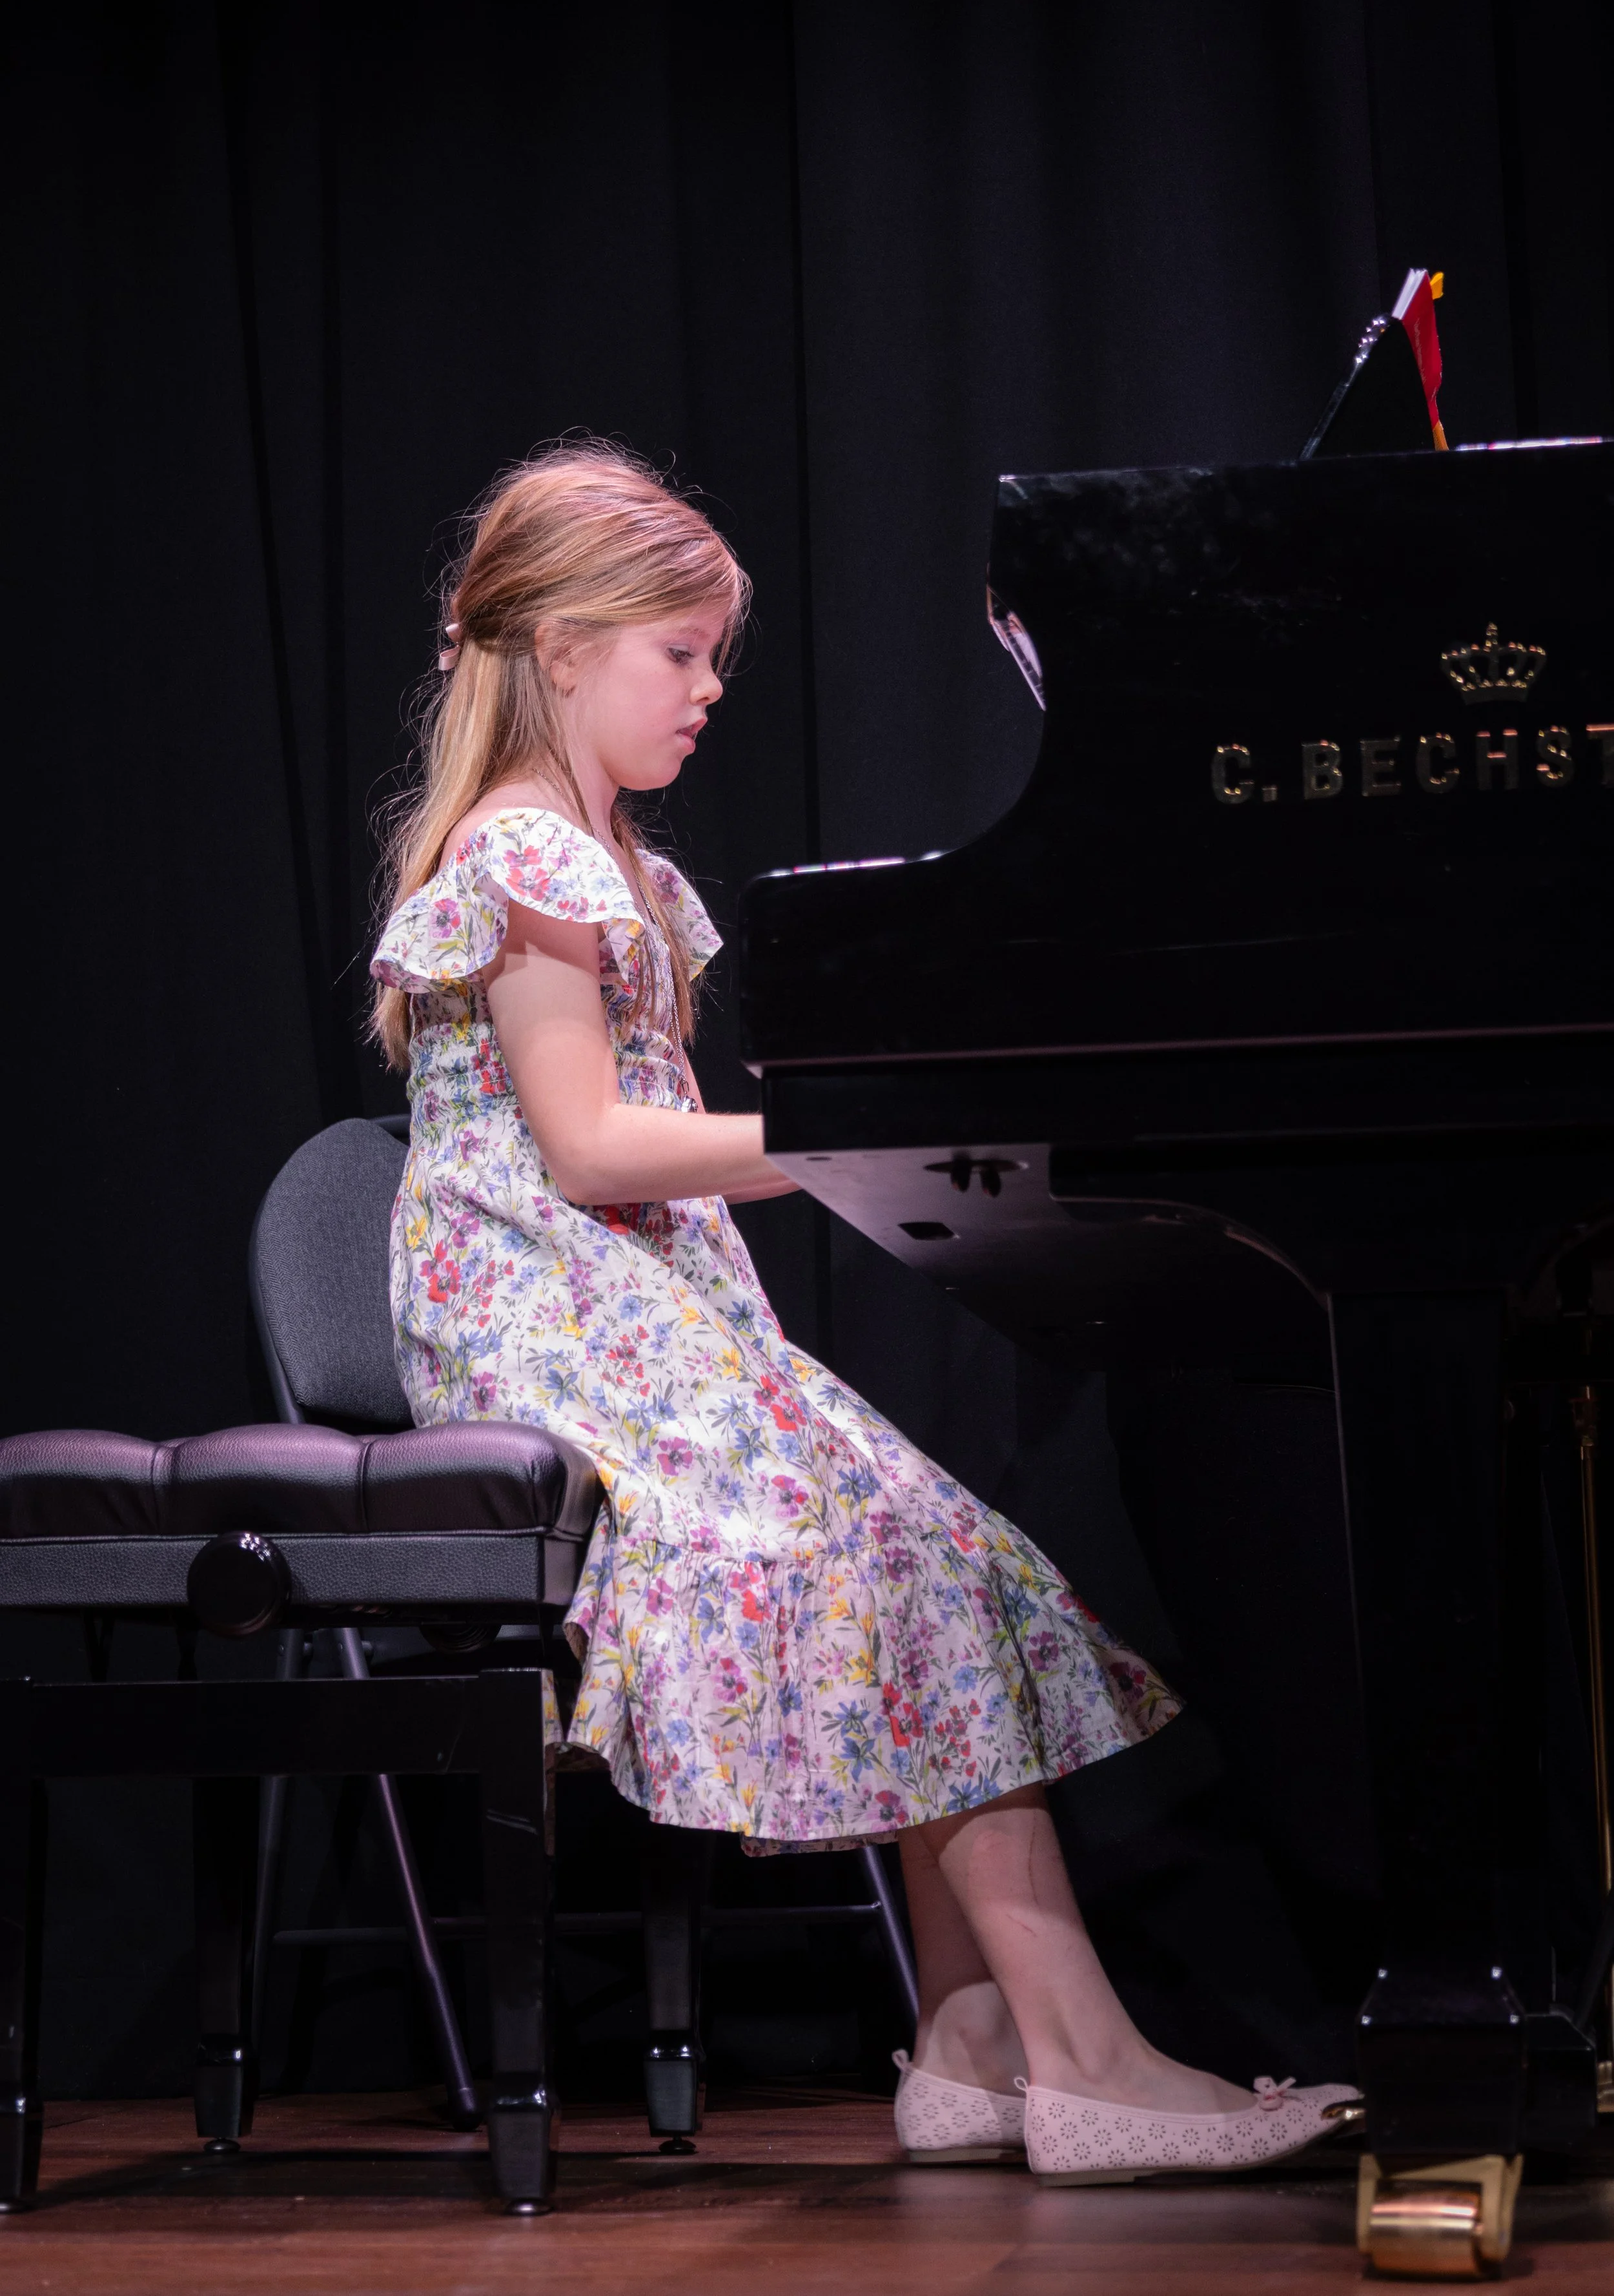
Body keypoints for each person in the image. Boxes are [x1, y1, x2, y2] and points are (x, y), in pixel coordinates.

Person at [369, 440, 1355, 2184]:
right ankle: (1084, 2055)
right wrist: (849, 1132)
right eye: (676, 650)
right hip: (554, 1317)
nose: (708, 686)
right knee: (899, 1557)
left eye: (711, 652)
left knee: (943, 1547)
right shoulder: (525, 855)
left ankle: (971, 2032)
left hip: (637, 1304)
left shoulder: (604, 860)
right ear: (569, 644)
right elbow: (593, 1146)